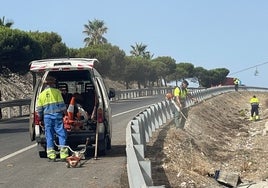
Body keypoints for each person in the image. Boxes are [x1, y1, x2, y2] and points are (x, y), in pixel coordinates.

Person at [36, 76, 69, 161]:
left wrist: (39, 119)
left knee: (49, 136)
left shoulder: (41, 95)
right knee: (61, 134)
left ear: (45, 84)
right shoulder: (57, 92)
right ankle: (63, 154)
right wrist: (66, 114)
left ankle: (51, 155)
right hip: (57, 116)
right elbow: (62, 105)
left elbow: (39, 109)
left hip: (47, 118)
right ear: (54, 83)